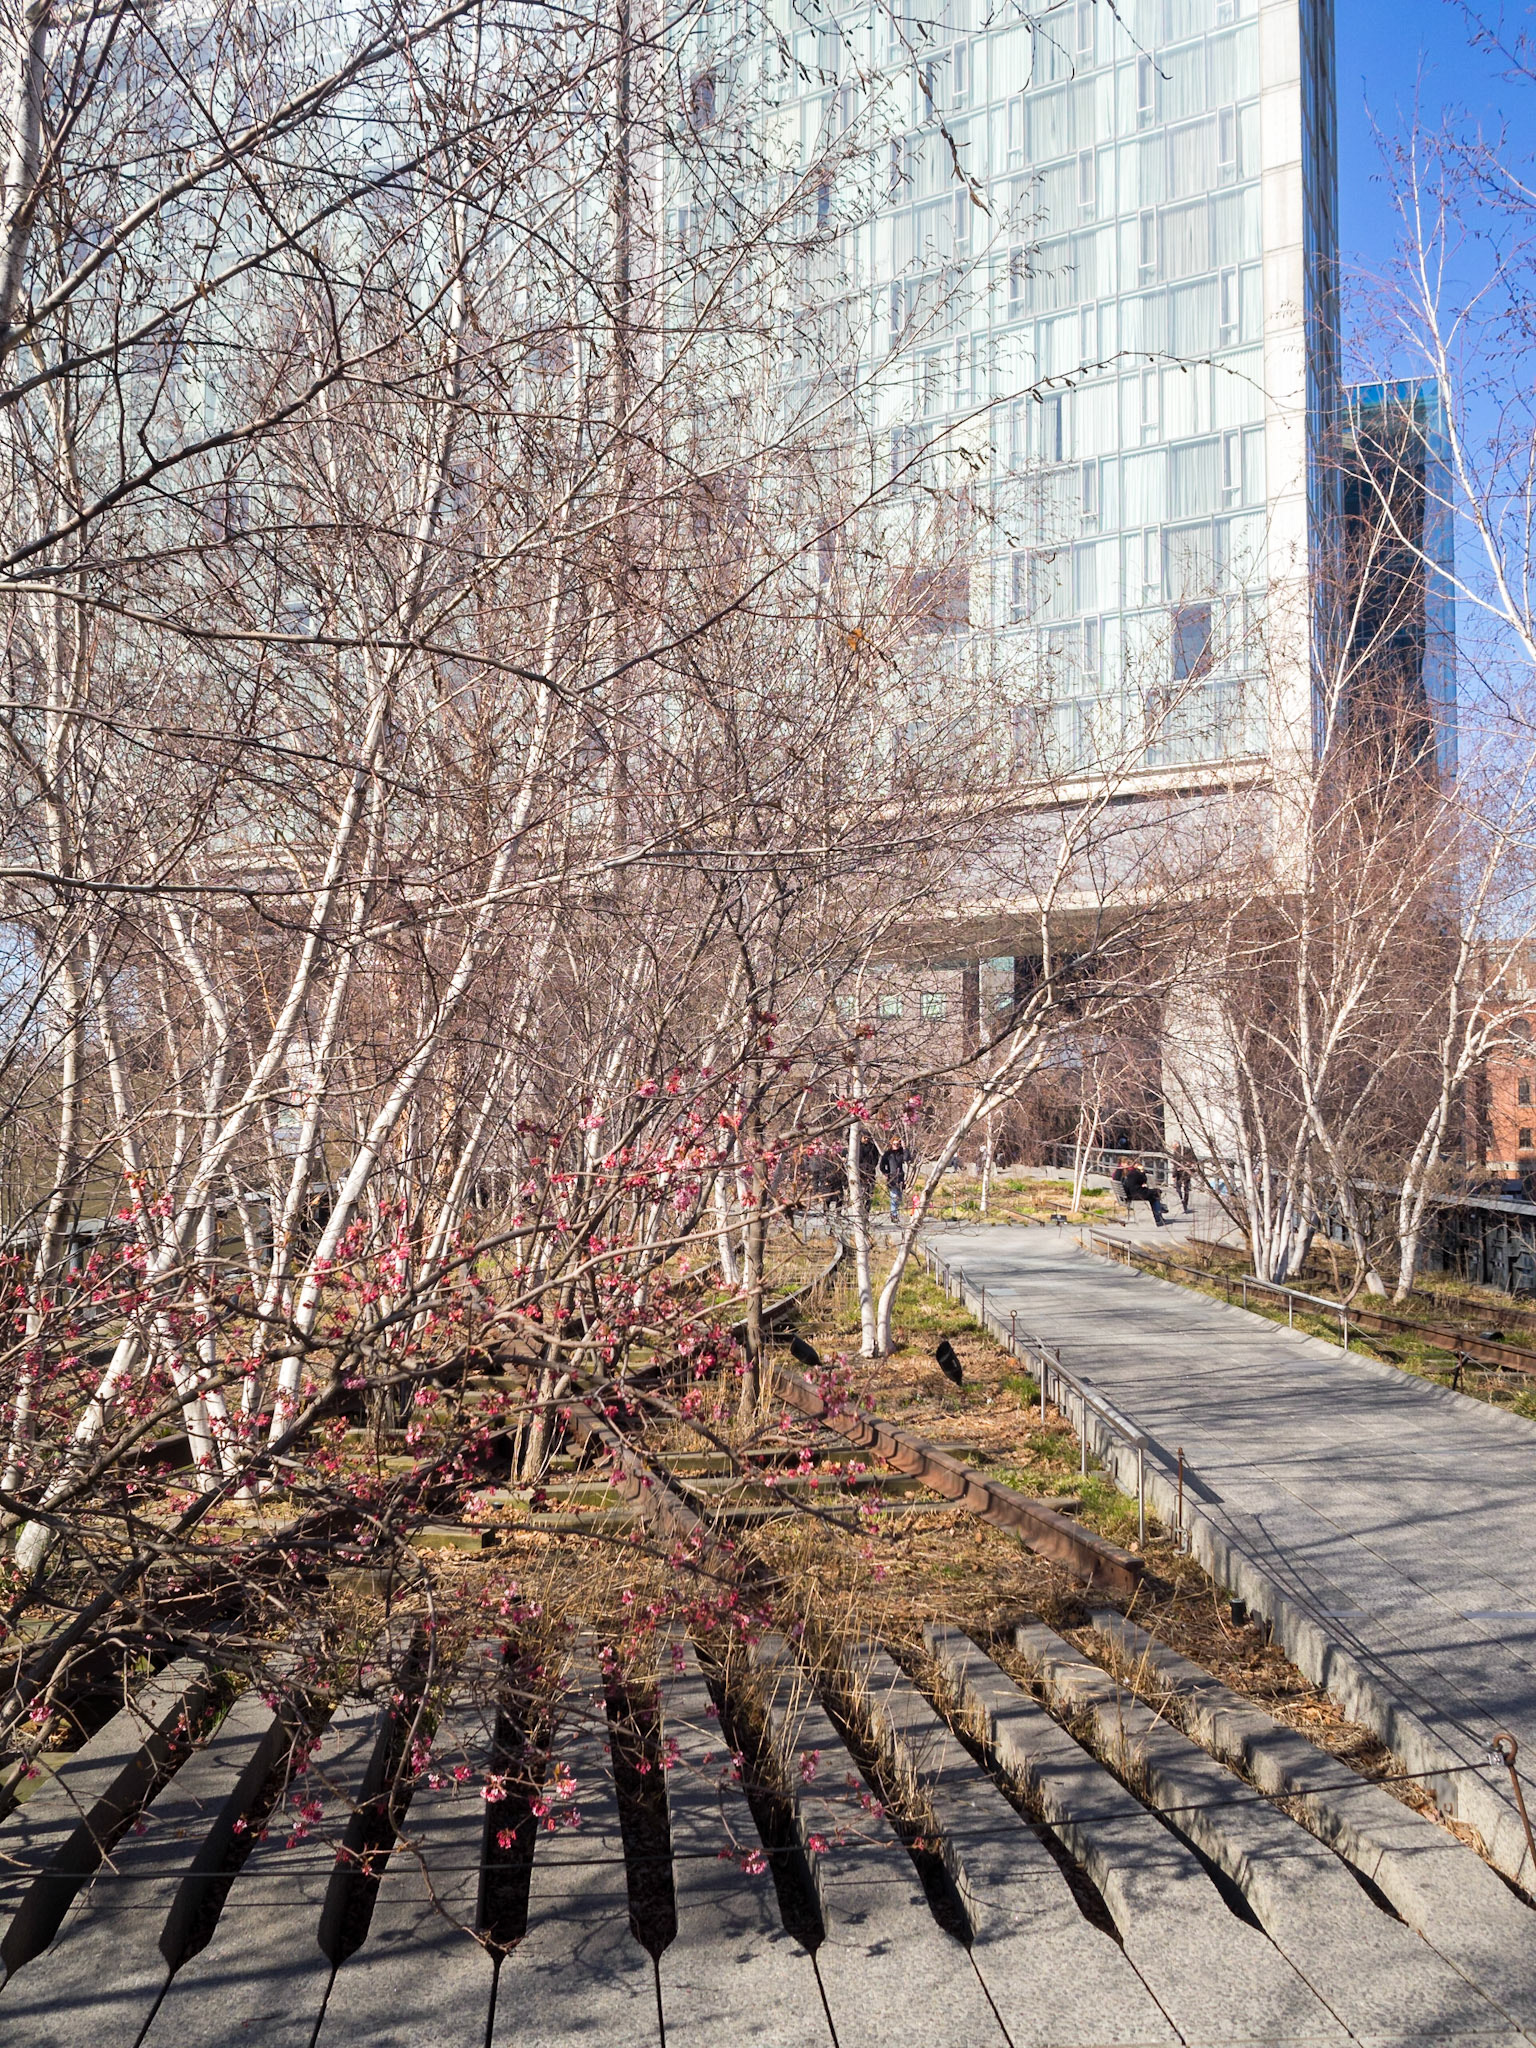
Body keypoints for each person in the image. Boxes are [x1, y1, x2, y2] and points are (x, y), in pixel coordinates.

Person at [1114, 1156, 1165, 1227]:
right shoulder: (1134, 1173)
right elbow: (1143, 1180)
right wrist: (1142, 1170)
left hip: (1129, 1195)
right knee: (1157, 1192)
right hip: (1137, 1194)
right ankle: (1158, 1216)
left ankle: (1160, 1210)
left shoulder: (1126, 1173)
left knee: (1153, 1193)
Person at [880, 1139, 909, 1222]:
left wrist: (904, 1148)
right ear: (891, 1144)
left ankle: (894, 1212)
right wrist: (886, 1173)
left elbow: (906, 1158)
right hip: (892, 1178)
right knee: (894, 1197)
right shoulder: (888, 1154)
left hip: (900, 1178)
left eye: (898, 1144)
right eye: (894, 1144)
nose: (896, 1146)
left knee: (899, 1198)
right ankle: (894, 1215)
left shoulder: (901, 1153)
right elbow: (882, 1165)